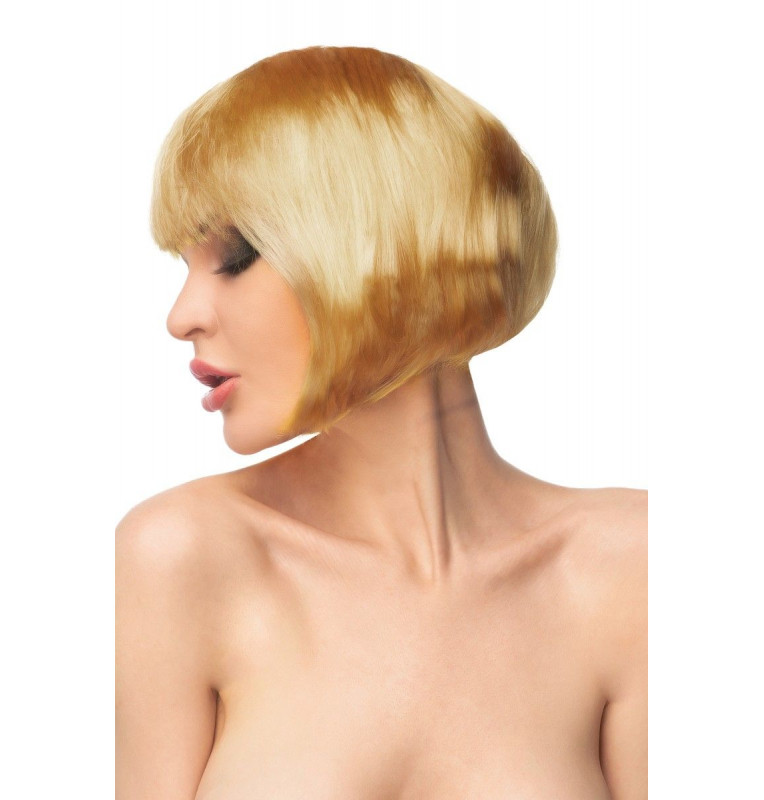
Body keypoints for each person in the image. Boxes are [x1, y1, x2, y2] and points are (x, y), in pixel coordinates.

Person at [116, 45, 647, 799]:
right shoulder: (182, 558)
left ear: (386, 252)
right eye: (185, 266)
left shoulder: (633, 568)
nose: (182, 317)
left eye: (235, 255)